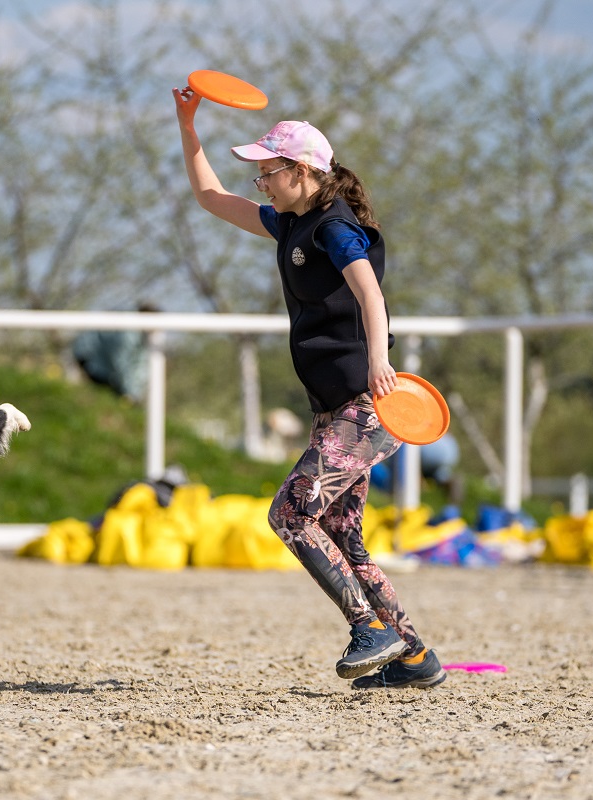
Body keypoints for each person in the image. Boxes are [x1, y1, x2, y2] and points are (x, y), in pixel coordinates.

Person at [173, 88, 444, 689]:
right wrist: (187, 125)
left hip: (366, 409)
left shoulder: (335, 229)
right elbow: (209, 197)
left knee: (291, 513)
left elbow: (370, 294)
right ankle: (414, 657)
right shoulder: (293, 223)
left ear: (301, 172)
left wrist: (380, 364)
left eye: (268, 172)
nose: (261, 184)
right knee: (344, 534)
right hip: (335, 413)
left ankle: (370, 631)